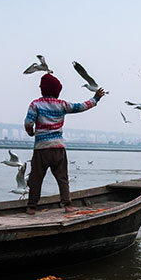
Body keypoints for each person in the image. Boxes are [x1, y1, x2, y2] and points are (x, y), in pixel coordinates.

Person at [23, 73, 105, 214]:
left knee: (36, 178)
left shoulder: (35, 104)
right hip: (58, 148)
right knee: (63, 178)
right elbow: (81, 106)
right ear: (57, 90)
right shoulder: (62, 105)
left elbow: (28, 123)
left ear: (42, 89)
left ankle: (31, 207)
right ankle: (67, 205)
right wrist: (96, 98)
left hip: (41, 149)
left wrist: (31, 132)